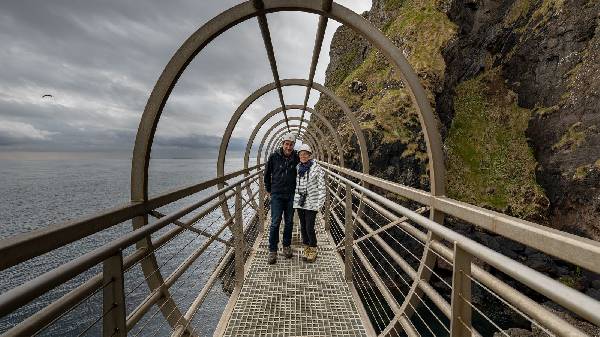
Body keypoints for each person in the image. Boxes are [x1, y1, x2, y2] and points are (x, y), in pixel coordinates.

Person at [264, 132, 299, 264]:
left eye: (291, 145)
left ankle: (286, 246)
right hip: (277, 194)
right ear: (282, 144)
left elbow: (307, 164)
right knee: (275, 223)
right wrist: (269, 190)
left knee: (289, 222)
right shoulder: (274, 157)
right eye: (286, 144)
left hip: (291, 194)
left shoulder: (297, 157)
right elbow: (267, 174)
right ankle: (272, 250)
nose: (288, 147)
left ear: (293, 145)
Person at [293, 144, 326, 263]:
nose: (303, 156)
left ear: (309, 155)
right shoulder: (297, 168)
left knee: (309, 226)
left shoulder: (316, 168)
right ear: (299, 156)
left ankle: (313, 248)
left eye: (305, 154)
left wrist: (319, 204)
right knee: (303, 226)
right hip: (300, 202)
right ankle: (307, 247)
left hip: (312, 202)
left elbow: (322, 187)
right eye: (301, 154)